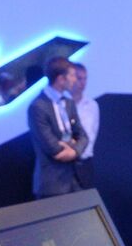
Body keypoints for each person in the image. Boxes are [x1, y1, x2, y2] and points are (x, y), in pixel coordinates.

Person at [28, 55, 91, 199]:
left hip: (75, 181)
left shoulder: (68, 103)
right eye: (72, 76)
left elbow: (83, 136)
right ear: (61, 79)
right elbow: (52, 148)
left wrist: (74, 151)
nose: (75, 80)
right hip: (52, 184)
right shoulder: (38, 107)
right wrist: (72, 143)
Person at [71, 60, 99, 189]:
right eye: (79, 78)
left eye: (85, 78)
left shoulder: (92, 105)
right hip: (64, 166)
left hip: (85, 163)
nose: (83, 82)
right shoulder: (60, 105)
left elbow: (91, 134)